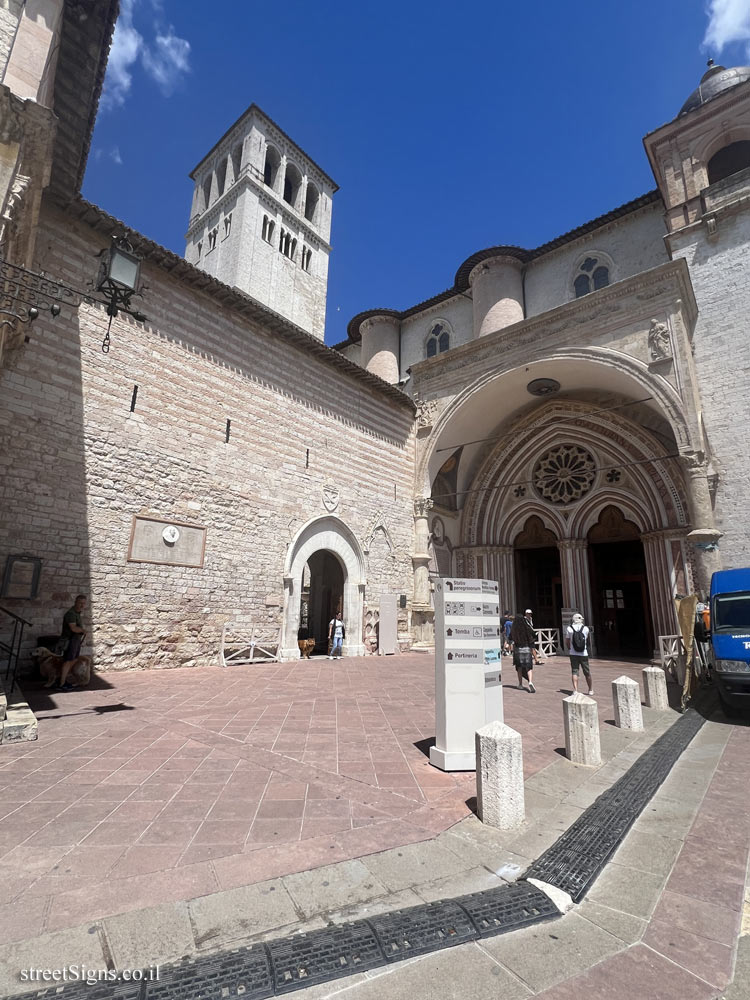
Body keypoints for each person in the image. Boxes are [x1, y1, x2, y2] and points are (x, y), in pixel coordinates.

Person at [59, 594, 87, 690]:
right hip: (69, 640)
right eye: (80, 603)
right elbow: (73, 628)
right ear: (75, 602)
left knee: (74, 659)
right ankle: (62, 683)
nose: (82, 605)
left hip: (75, 640)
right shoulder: (71, 614)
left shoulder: (77, 614)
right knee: (68, 661)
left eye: (83, 603)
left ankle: (64, 679)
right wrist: (83, 630)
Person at [566, 612, 593, 695]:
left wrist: (570, 649)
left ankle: (575, 690)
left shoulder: (569, 628)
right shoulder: (585, 629)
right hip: (583, 653)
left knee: (574, 671)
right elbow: (586, 639)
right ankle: (590, 689)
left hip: (573, 653)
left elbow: (567, 641)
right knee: (587, 672)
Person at [510, 611, 536, 692]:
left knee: (519, 667)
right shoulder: (526, 627)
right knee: (529, 666)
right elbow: (533, 635)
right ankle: (530, 681)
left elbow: (510, 637)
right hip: (527, 648)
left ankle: (520, 684)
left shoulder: (514, 629)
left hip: (518, 649)